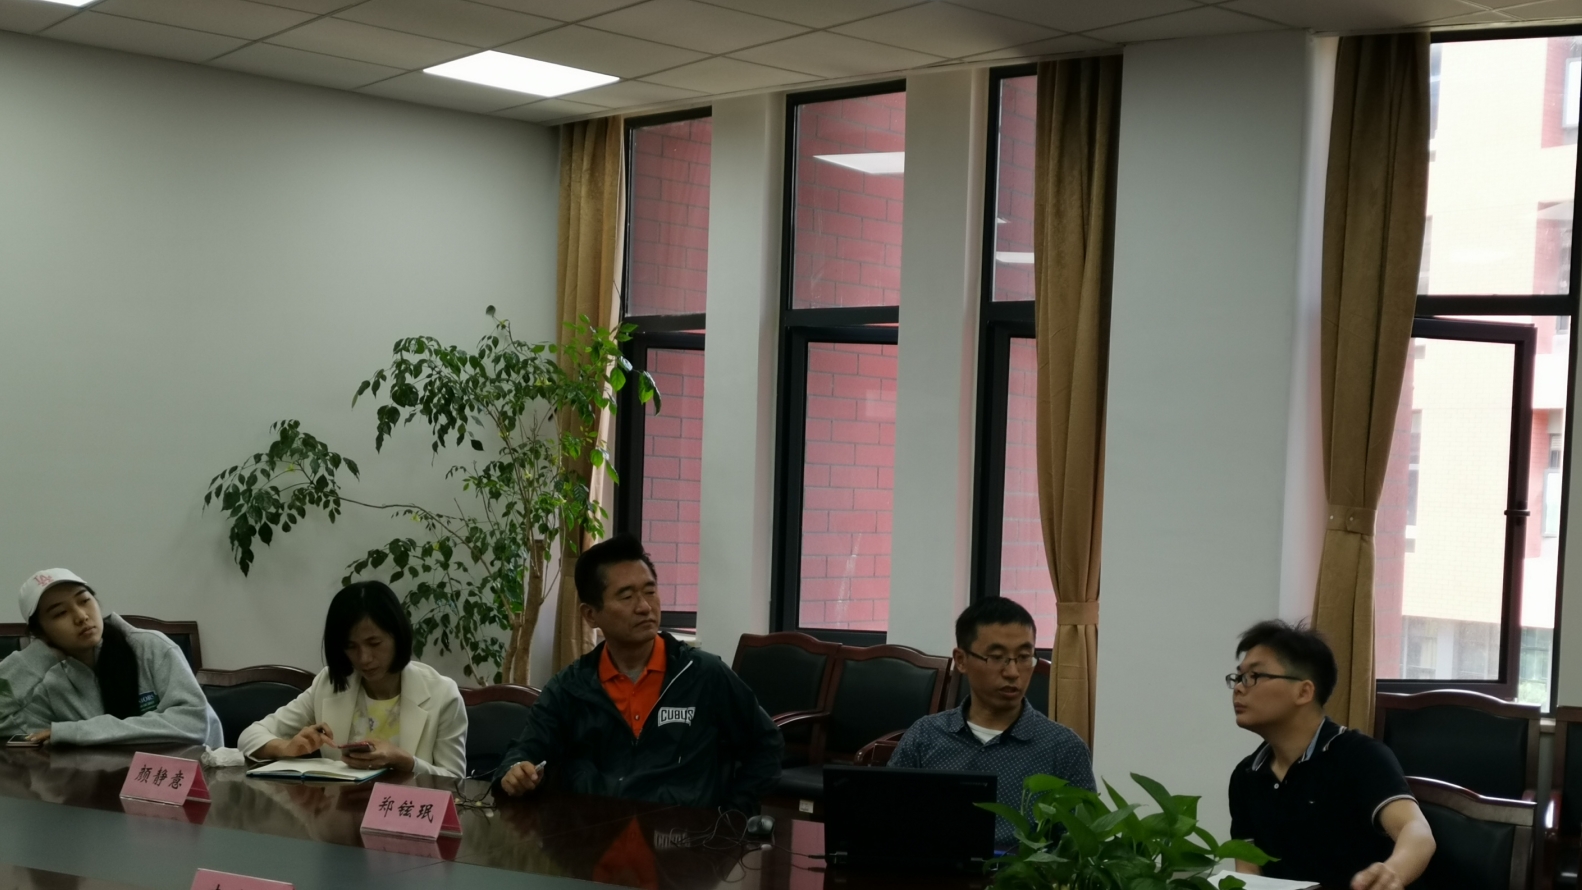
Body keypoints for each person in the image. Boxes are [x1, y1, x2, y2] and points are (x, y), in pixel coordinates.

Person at [493, 534, 783, 811]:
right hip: (593, 836)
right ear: (591, 615)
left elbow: (766, 745)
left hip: (684, 839)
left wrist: (731, 816)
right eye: (627, 596)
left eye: (650, 591)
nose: (645, 607)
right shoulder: (569, 688)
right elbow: (524, 751)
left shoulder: (703, 675)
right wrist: (514, 771)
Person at [1228, 620, 1435, 890]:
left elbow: (1416, 831)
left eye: (1253, 676)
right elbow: (1248, 870)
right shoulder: (1247, 775)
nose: (1239, 688)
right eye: (1238, 677)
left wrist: (1393, 872)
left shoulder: (1360, 756)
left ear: (1304, 691)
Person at [889, 598, 1095, 850]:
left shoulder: (1064, 748)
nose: (1013, 672)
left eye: (1024, 657)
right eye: (997, 657)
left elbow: (1082, 848)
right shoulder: (926, 736)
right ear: (961, 660)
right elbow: (887, 820)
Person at [238, 581, 466, 778]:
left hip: (406, 813)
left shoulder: (442, 695)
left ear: (398, 635)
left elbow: (457, 782)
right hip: (339, 811)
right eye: (351, 646)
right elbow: (249, 737)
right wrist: (286, 747)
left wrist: (406, 762)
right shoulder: (329, 684)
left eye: (374, 643)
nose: (364, 658)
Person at [0, 568, 222, 747]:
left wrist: (75, 732)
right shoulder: (48, 683)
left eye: (84, 600)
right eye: (60, 613)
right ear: (40, 632)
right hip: (101, 785)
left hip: (190, 779)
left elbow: (194, 722)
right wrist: (37, 655)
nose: (81, 616)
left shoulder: (150, 648)